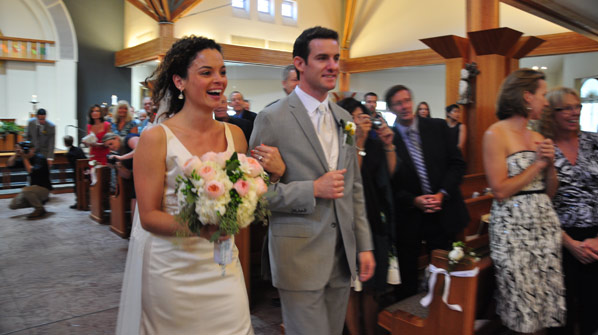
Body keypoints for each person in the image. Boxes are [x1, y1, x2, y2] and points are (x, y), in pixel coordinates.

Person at [116, 36, 282, 335]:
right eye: (206, 72)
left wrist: (275, 175)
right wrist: (200, 226)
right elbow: (149, 216)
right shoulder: (156, 139)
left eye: (222, 71)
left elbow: (248, 193)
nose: (218, 80)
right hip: (172, 271)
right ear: (179, 81)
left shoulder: (236, 136)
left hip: (222, 266)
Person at [249, 26, 375, 335]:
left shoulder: (345, 121)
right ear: (300, 64)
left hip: (341, 254)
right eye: (322, 58)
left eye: (335, 58)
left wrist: (364, 245)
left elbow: (353, 187)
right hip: (299, 255)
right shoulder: (272, 118)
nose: (333, 65)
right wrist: (311, 190)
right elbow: (253, 196)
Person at [483, 69, 565, 334]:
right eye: (543, 95)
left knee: (543, 303)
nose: (547, 102)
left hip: (543, 226)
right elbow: (500, 190)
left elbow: (549, 192)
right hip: (513, 230)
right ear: (527, 97)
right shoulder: (496, 134)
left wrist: (550, 167)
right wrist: (537, 164)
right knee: (521, 303)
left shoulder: (539, 137)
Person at [385, 85, 469, 299]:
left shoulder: (437, 127)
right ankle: (405, 315)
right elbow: (389, 184)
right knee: (408, 274)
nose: (404, 106)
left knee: (445, 269)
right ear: (391, 108)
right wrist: (414, 200)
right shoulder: (388, 139)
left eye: (406, 101)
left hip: (443, 208)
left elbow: (457, 164)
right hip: (411, 214)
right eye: (397, 103)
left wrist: (442, 193)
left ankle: (443, 310)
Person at [540, 87, 598, 335]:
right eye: (566, 107)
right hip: (559, 240)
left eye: (577, 106)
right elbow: (540, 202)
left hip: (596, 239)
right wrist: (570, 243)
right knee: (559, 315)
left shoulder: (595, 142)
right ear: (551, 113)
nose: (575, 112)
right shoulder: (543, 148)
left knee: (594, 310)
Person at [338, 98, 396, 335]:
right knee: (352, 286)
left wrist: (388, 145)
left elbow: (388, 176)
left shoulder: (373, 144)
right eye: (354, 117)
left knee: (373, 285)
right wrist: (358, 140)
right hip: (348, 220)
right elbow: (352, 179)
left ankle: (370, 331)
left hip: (373, 217)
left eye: (363, 116)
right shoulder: (342, 144)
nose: (361, 121)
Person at [7, 141, 52, 219]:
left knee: (26, 190)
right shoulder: (25, 158)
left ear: (33, 149)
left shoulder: (40, 158)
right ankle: (37, 201)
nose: (25, 152)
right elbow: (9, 165)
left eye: (27, 150)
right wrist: (16, 154)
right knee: (13, 205)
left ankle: (39, 209)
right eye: (24, 150)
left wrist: (24, 158)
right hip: (31, 190)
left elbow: (30, 171)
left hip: (43, 189)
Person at [64, 135, 87, 209]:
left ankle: (79, 202)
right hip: (84, 171)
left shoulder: (69, 154)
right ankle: (83, 201)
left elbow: (72, 164)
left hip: (76, 172)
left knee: (76, 188)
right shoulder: (79, 149)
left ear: (65, 144)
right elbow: (85, 159)